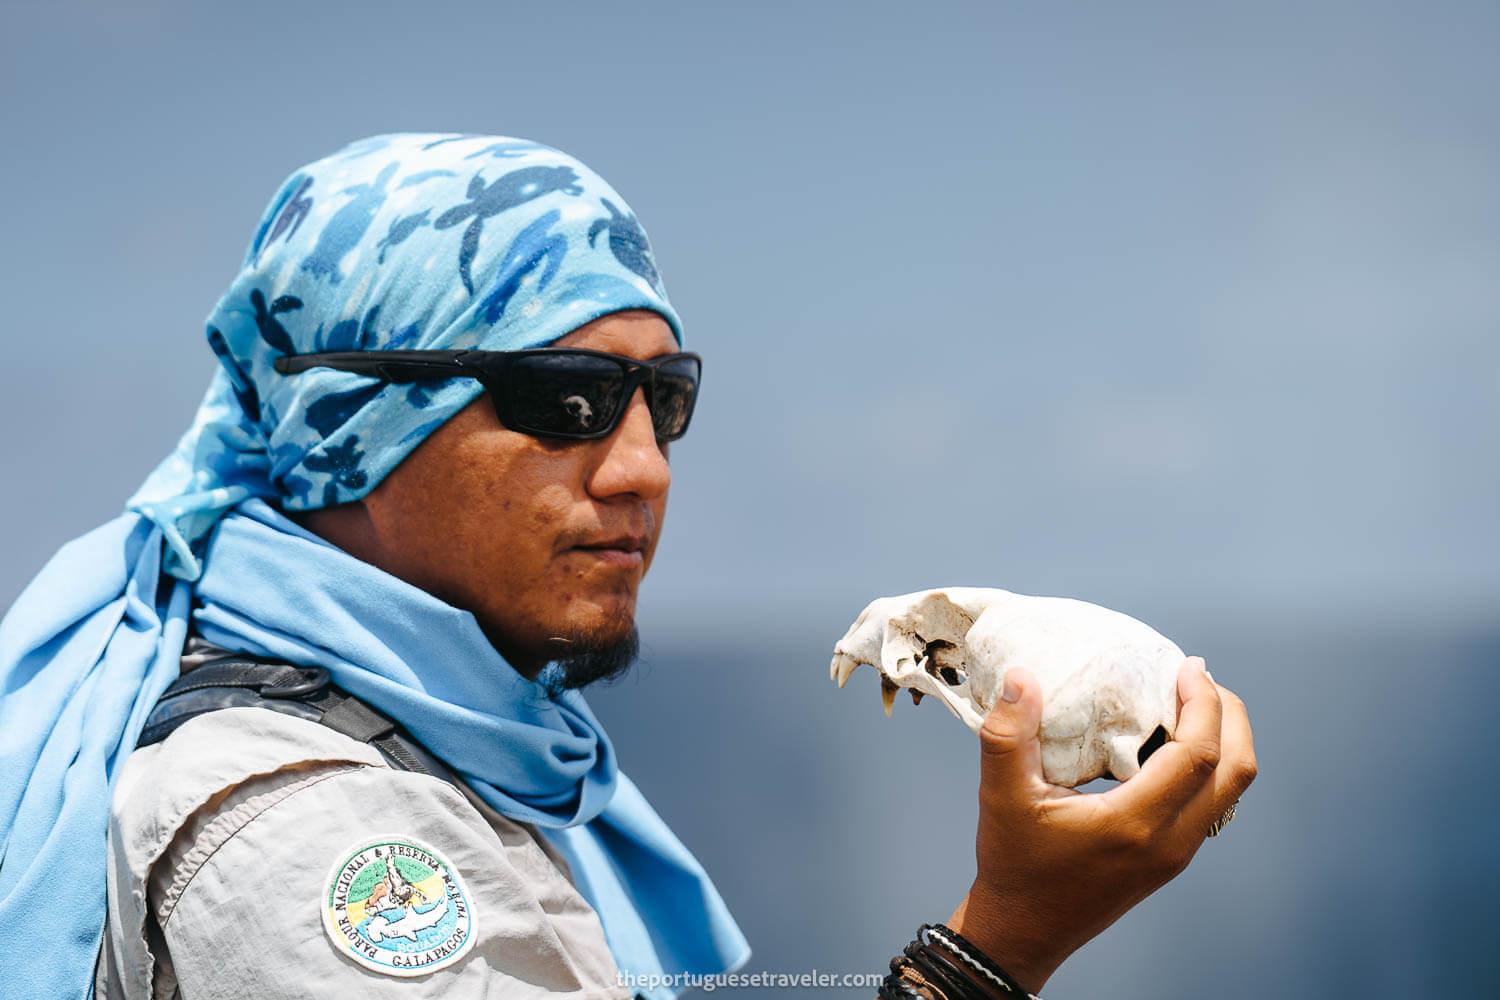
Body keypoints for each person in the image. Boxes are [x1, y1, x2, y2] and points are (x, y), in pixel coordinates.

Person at [0, 133, 1256, 1000]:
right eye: (569, 397)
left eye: (665, 396)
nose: (644, 465)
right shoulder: (307, 833)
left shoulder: (449, 743)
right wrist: (999, 948)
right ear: (351, 428)